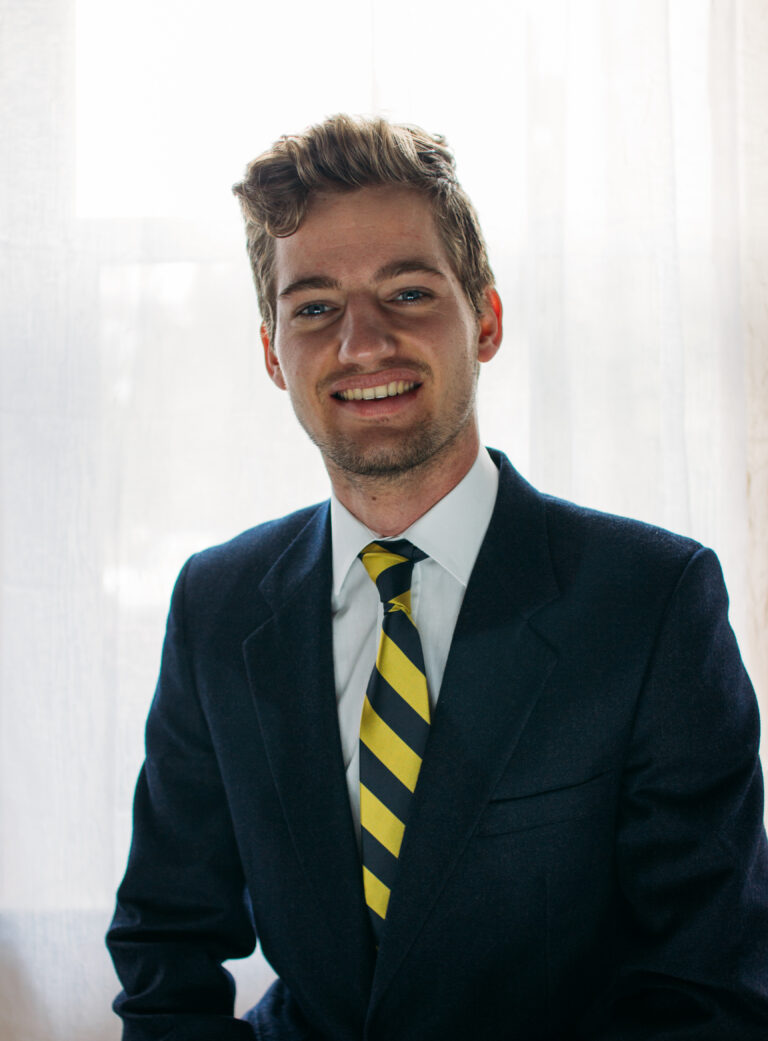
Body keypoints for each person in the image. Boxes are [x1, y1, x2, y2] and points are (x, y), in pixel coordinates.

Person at [106, 114, 768, 1040]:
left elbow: (709, 986)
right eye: (315, 308)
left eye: (408, 293)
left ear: (485, 319)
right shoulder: (216, 605)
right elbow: (166, 941)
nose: (362, 342)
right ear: (271, 353)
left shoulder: (652, 602)